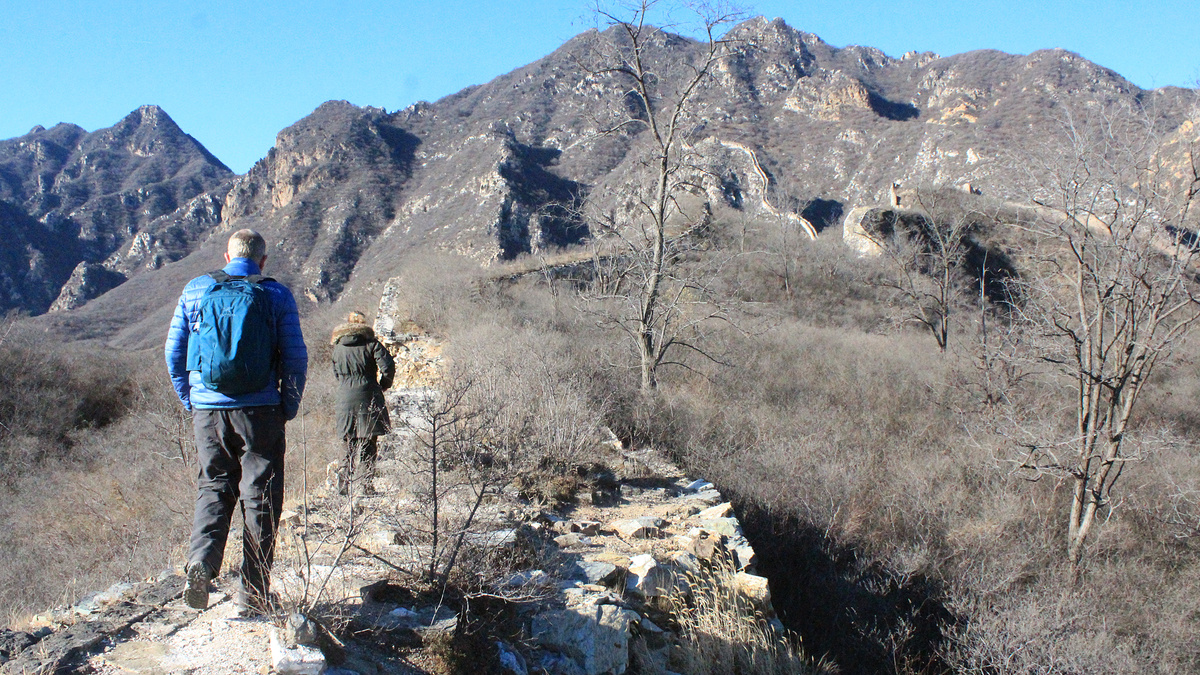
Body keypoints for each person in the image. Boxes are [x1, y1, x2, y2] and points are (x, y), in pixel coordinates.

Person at [165, 229, 307, 615]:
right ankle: (253, 593)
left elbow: (173, 352)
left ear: (227, 256)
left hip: (208, 411)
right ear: (263, 260)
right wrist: (287, 406)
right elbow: (295, 358)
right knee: (261, 495)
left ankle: (201, 563)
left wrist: (191, 400)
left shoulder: (196, 290)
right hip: (261, 410)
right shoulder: (276, 294)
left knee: (213, 486)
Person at [331, 311, 395, 496]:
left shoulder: (338, 347)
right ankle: (365, 487)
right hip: (368, 395)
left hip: (344, 398)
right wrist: (383, 385)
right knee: (368, 442)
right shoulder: (371, 344)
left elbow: (336, 373)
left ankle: (343, 487)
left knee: (347, 442)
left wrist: (346, 385)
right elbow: (388, 366)